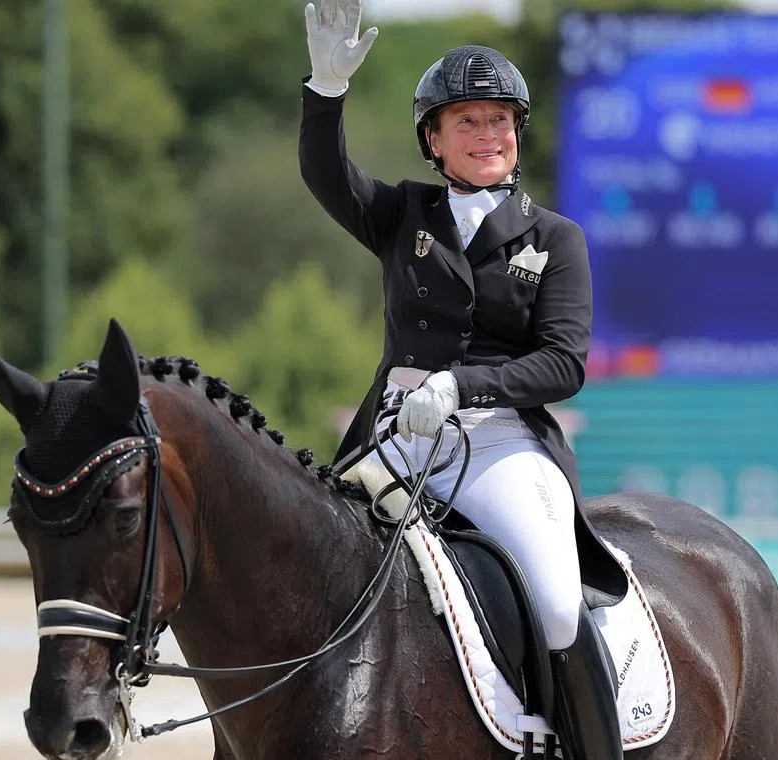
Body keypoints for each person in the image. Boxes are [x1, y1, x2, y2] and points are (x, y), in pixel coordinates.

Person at [299, 1, 622, 757]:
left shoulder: (556, 239)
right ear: (433, 140)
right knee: (303, 567)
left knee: (556, 603)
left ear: (518, 133)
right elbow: (325, 175)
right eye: (467, 121)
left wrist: (460, 386)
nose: (487, 135)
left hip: (499, 442)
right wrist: (326, 91)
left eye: (499, 120)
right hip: (395, 440)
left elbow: (564, 363)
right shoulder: (402, 213)